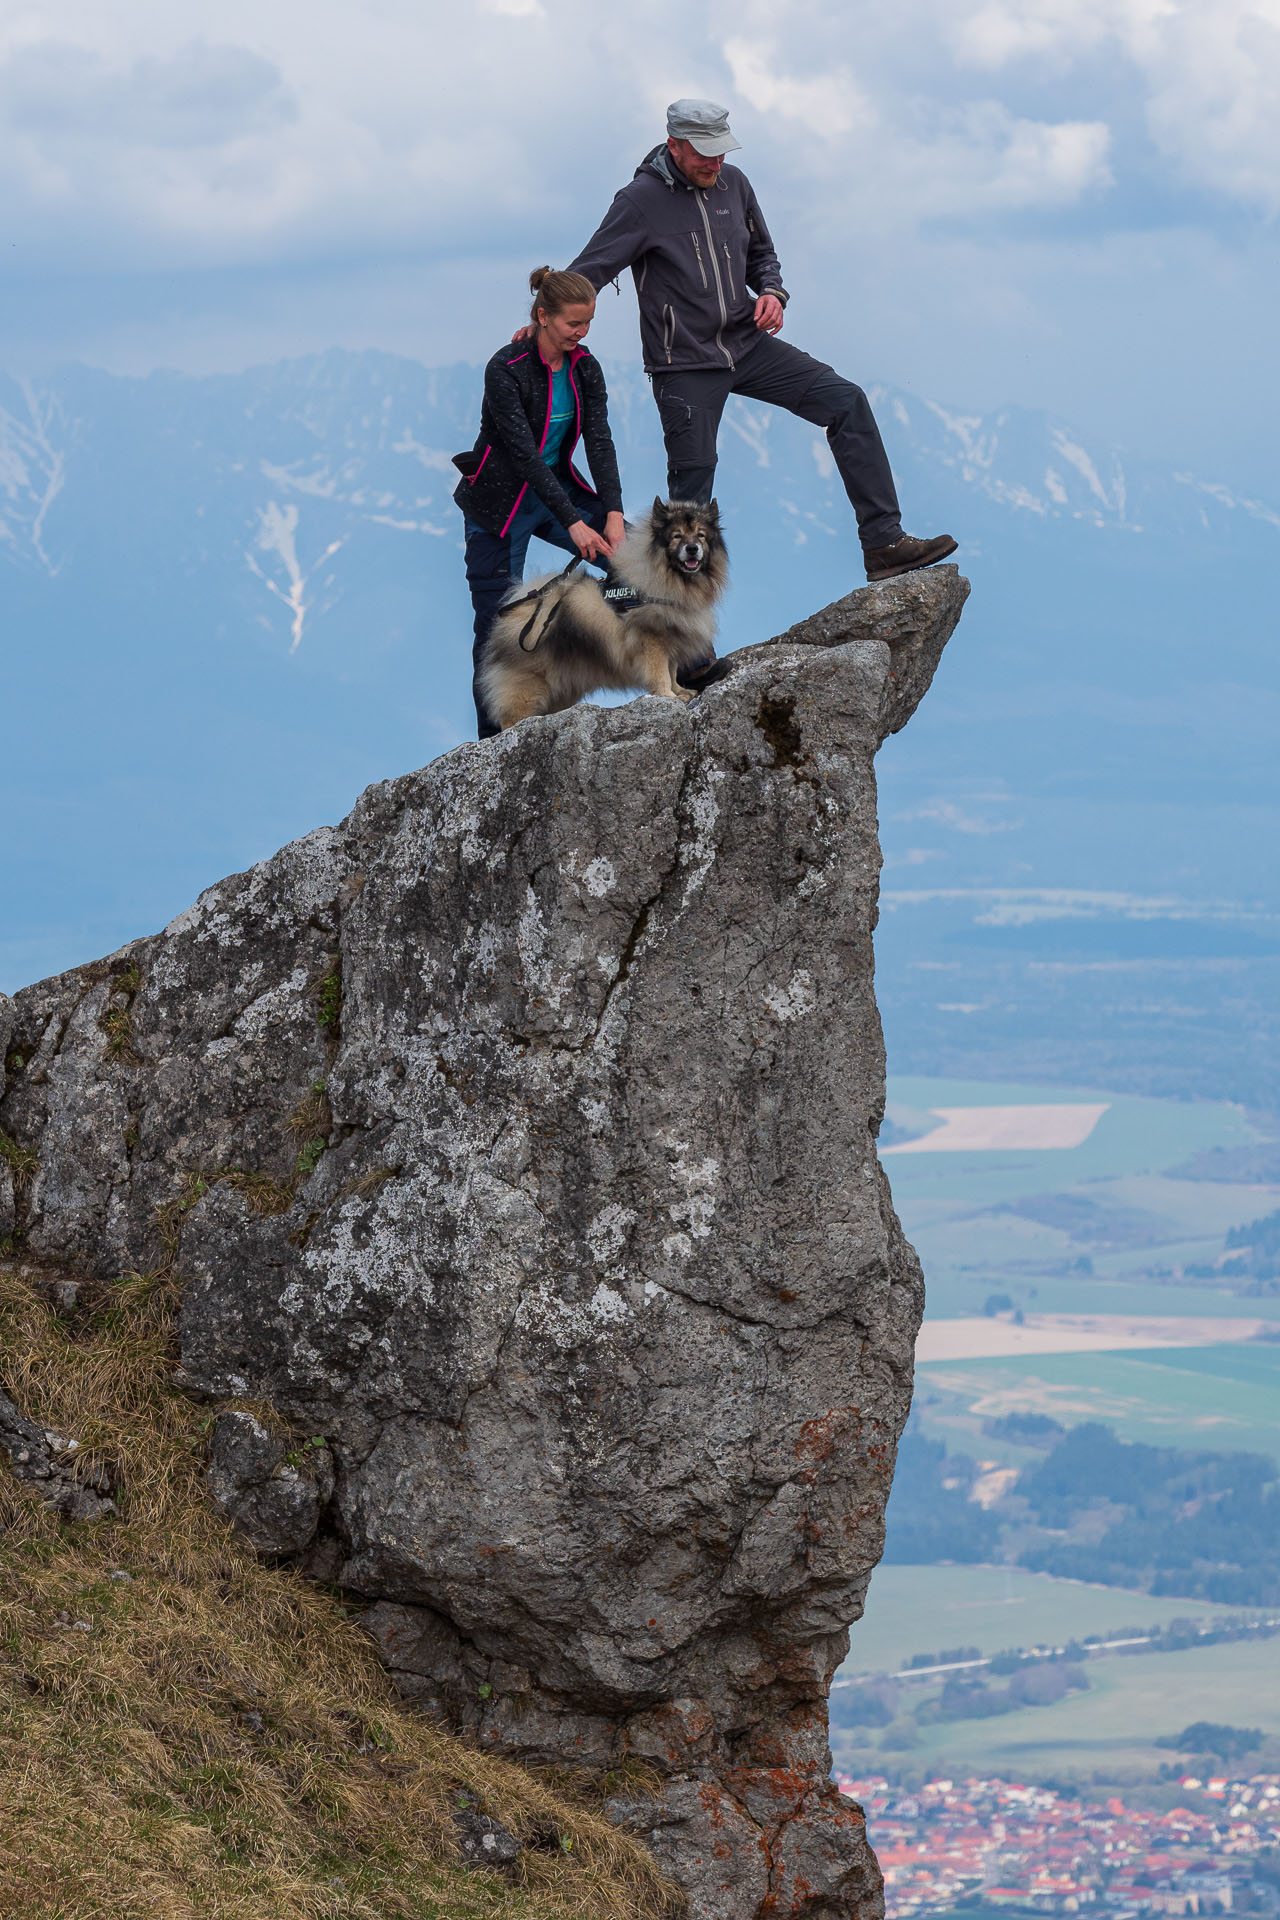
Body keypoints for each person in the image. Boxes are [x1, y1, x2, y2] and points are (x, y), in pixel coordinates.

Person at [564, 99, 956, 584]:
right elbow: (587, 272)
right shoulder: (639, 201)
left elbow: (763, 255)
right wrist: (544, 319)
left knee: (847, 402)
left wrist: (772, 292)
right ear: (674, 145)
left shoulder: (735, 184)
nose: (715, 163)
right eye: (704, 153)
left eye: (721, 152)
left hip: (749, 345)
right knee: (691, 504)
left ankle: (884, 543)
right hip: (683, 364)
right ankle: (676, 633)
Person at [454, 267, 626, 738]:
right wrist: (573, 523)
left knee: (634, 564)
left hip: (557, 492)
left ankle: (685, 667)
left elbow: (599, 439)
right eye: (573, 323)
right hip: (498, 506)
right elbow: (524, 457)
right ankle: (492, 745)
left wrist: (611, 513)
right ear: (543, 316)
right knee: (495, 628)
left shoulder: (585, 367)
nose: (582, 333)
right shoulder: (505, 368)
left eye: (588, 323)